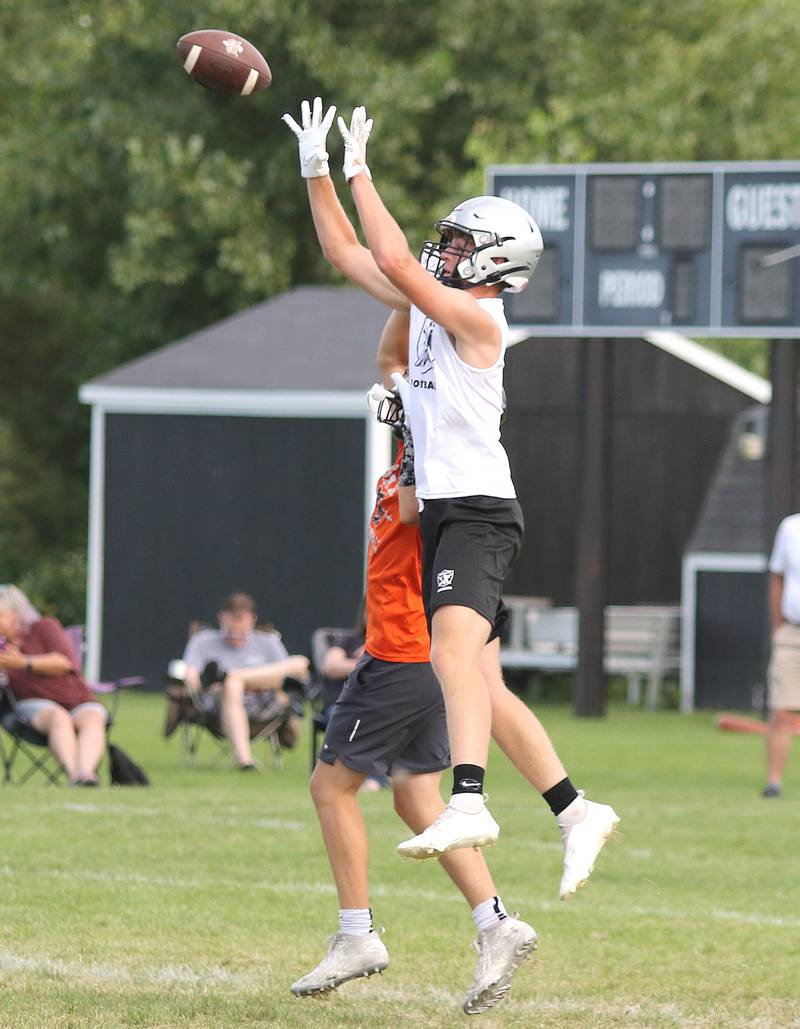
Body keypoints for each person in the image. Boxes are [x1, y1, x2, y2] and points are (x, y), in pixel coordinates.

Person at [283, 98, 618, 875]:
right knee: (486, 685)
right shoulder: (432, 308)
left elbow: (397, 261)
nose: (448, 249)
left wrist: (365, 173)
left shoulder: (480, 318)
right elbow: (347, 254)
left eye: (462, 241)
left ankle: (468, 796)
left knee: (453, 656)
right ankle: (575, 808)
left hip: (477, 511)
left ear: (495, 261)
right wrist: (318, 172)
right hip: (445, 512)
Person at [291, 365, 537, 1013]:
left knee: (329, 785)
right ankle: (496, 923)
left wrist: (414, 423)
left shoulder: (432, 467)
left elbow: (414, 505)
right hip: (413, 656)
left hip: (401, 653)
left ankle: (357, 934)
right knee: (413, 794)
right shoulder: (412, 459)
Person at [180, 592, 309, 770]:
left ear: (253, 619)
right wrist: (205, 686)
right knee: (232, 685)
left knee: (300, 662)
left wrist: (249, 680)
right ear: (221, 618)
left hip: (265, 705)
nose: (236, 634)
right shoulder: (203, 641)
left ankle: (236, 675)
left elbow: (293, 675)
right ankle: (245, 760)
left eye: (241, 629)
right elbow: (191, 676)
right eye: (231, 629)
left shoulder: (268, 642)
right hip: (220, 708)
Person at [0, 584, 108, 786]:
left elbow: (64, 662)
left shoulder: (44, 627)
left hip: (76, 698)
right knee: (58, 717)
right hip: (32, 707)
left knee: (94, 716)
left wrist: (22, 662)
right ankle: (75, 775)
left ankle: (87, 774)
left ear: (15, 614)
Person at [763, 513, 800, 797]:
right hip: (792, 633)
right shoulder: (790, 527)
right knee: (781, 710)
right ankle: (774, 783)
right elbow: (777, 576)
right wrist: (778, 626)